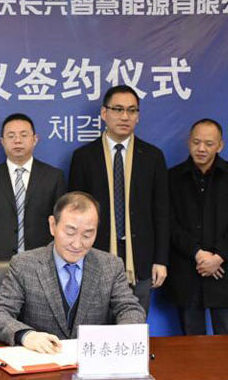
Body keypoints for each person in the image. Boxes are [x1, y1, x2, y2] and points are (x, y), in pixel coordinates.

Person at [0, 192, 145, 353]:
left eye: (87, 235)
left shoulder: (110, 266)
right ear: (52, 225)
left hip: (91, 360)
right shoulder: (24, 265)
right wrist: (26, 335)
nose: (77, 244)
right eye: (70, 233)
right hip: (41, 360)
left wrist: (121, 337)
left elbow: (131, 309)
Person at [68, 85, 169, 313]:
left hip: (141, 258)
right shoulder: (84, 157)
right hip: (95, 254)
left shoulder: (152, 157)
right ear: (104, 113)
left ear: (138, 116)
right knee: (95, 323)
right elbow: (75, 213)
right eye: (118, 109)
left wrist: (161, 260)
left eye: (132, 110)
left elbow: (162, 212)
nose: (125, 116)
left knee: (134, 324)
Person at [167, 119, 228, 335]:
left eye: (209, 143)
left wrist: (218, 257)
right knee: (191, 347)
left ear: (220, 145)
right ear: (189, 142)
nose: (201, 148)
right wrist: (197, 253)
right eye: (196, 142)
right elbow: (169, 223)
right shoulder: (172, 177)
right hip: (187, 272)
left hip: (225, 271)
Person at [0, 113, 65, 303]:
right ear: (2, 141)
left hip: (43, 268)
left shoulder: (53, 177)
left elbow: (61, 228)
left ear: (35, 139)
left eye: (23, 135)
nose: (17, 141)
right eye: (11, 135)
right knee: (1, 320)